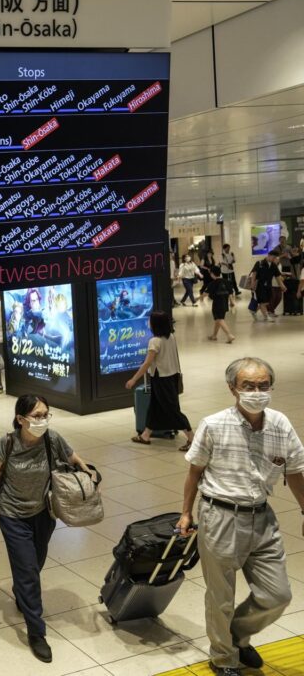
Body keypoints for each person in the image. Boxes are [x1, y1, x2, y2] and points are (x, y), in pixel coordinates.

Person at [177, 358, 304, 676]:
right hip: (219, 516)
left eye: (263, 386)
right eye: (249, 386)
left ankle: (237, 635)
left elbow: (296, 471)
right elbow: (195, 472)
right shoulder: (214, 424)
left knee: (277, 595)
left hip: (262, 517)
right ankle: (223, 658)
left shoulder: (280, 423)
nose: (257, 392)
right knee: (221, 596)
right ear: (233, 388)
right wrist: (185, 513)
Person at [0, 395, 91, 664]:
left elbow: (74, 458)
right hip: (12, 515)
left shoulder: (52, 439)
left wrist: (89, 478)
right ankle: (36, 631)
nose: (42, 420)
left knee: (35, 563)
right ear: (21, 419)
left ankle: (22, 592)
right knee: (28, 569)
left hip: (43, 513)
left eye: (46, 414)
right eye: (37, 415)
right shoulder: (7, 443)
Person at [126, 311, 194, 450]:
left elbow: (147, 363)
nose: (148, 323)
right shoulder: (171, 337)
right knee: (155, 406)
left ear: (155, 324)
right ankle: (146, 435)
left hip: (162, 379)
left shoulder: (154, 341)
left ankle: (193, 439)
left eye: (150, 321)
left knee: (172, 410)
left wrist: (133, 379)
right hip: (172, 376)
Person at [248, 249, 285, 322]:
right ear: (269, 255)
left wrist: (282, 285)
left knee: (266, 302)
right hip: (259, 285)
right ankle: (266, 317)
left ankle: (253, 310)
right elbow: (254, 274)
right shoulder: (259, 263)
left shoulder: (273, 265)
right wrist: (252, 283)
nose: (274, 259)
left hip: (268, 286)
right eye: (274, 258)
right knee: (262, 302)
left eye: (276, 258)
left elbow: (277, 276)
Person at [205, 265, 236, 344]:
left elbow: (206, 293)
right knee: (218, 319)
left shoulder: (212, 283)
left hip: (217, 304)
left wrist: (199, 298)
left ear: (212, 274)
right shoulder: (226, 281)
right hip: (225, 303)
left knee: (220, 319)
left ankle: (229, 335)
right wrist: (232, 302)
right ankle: (214, 335)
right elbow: (230, 292)